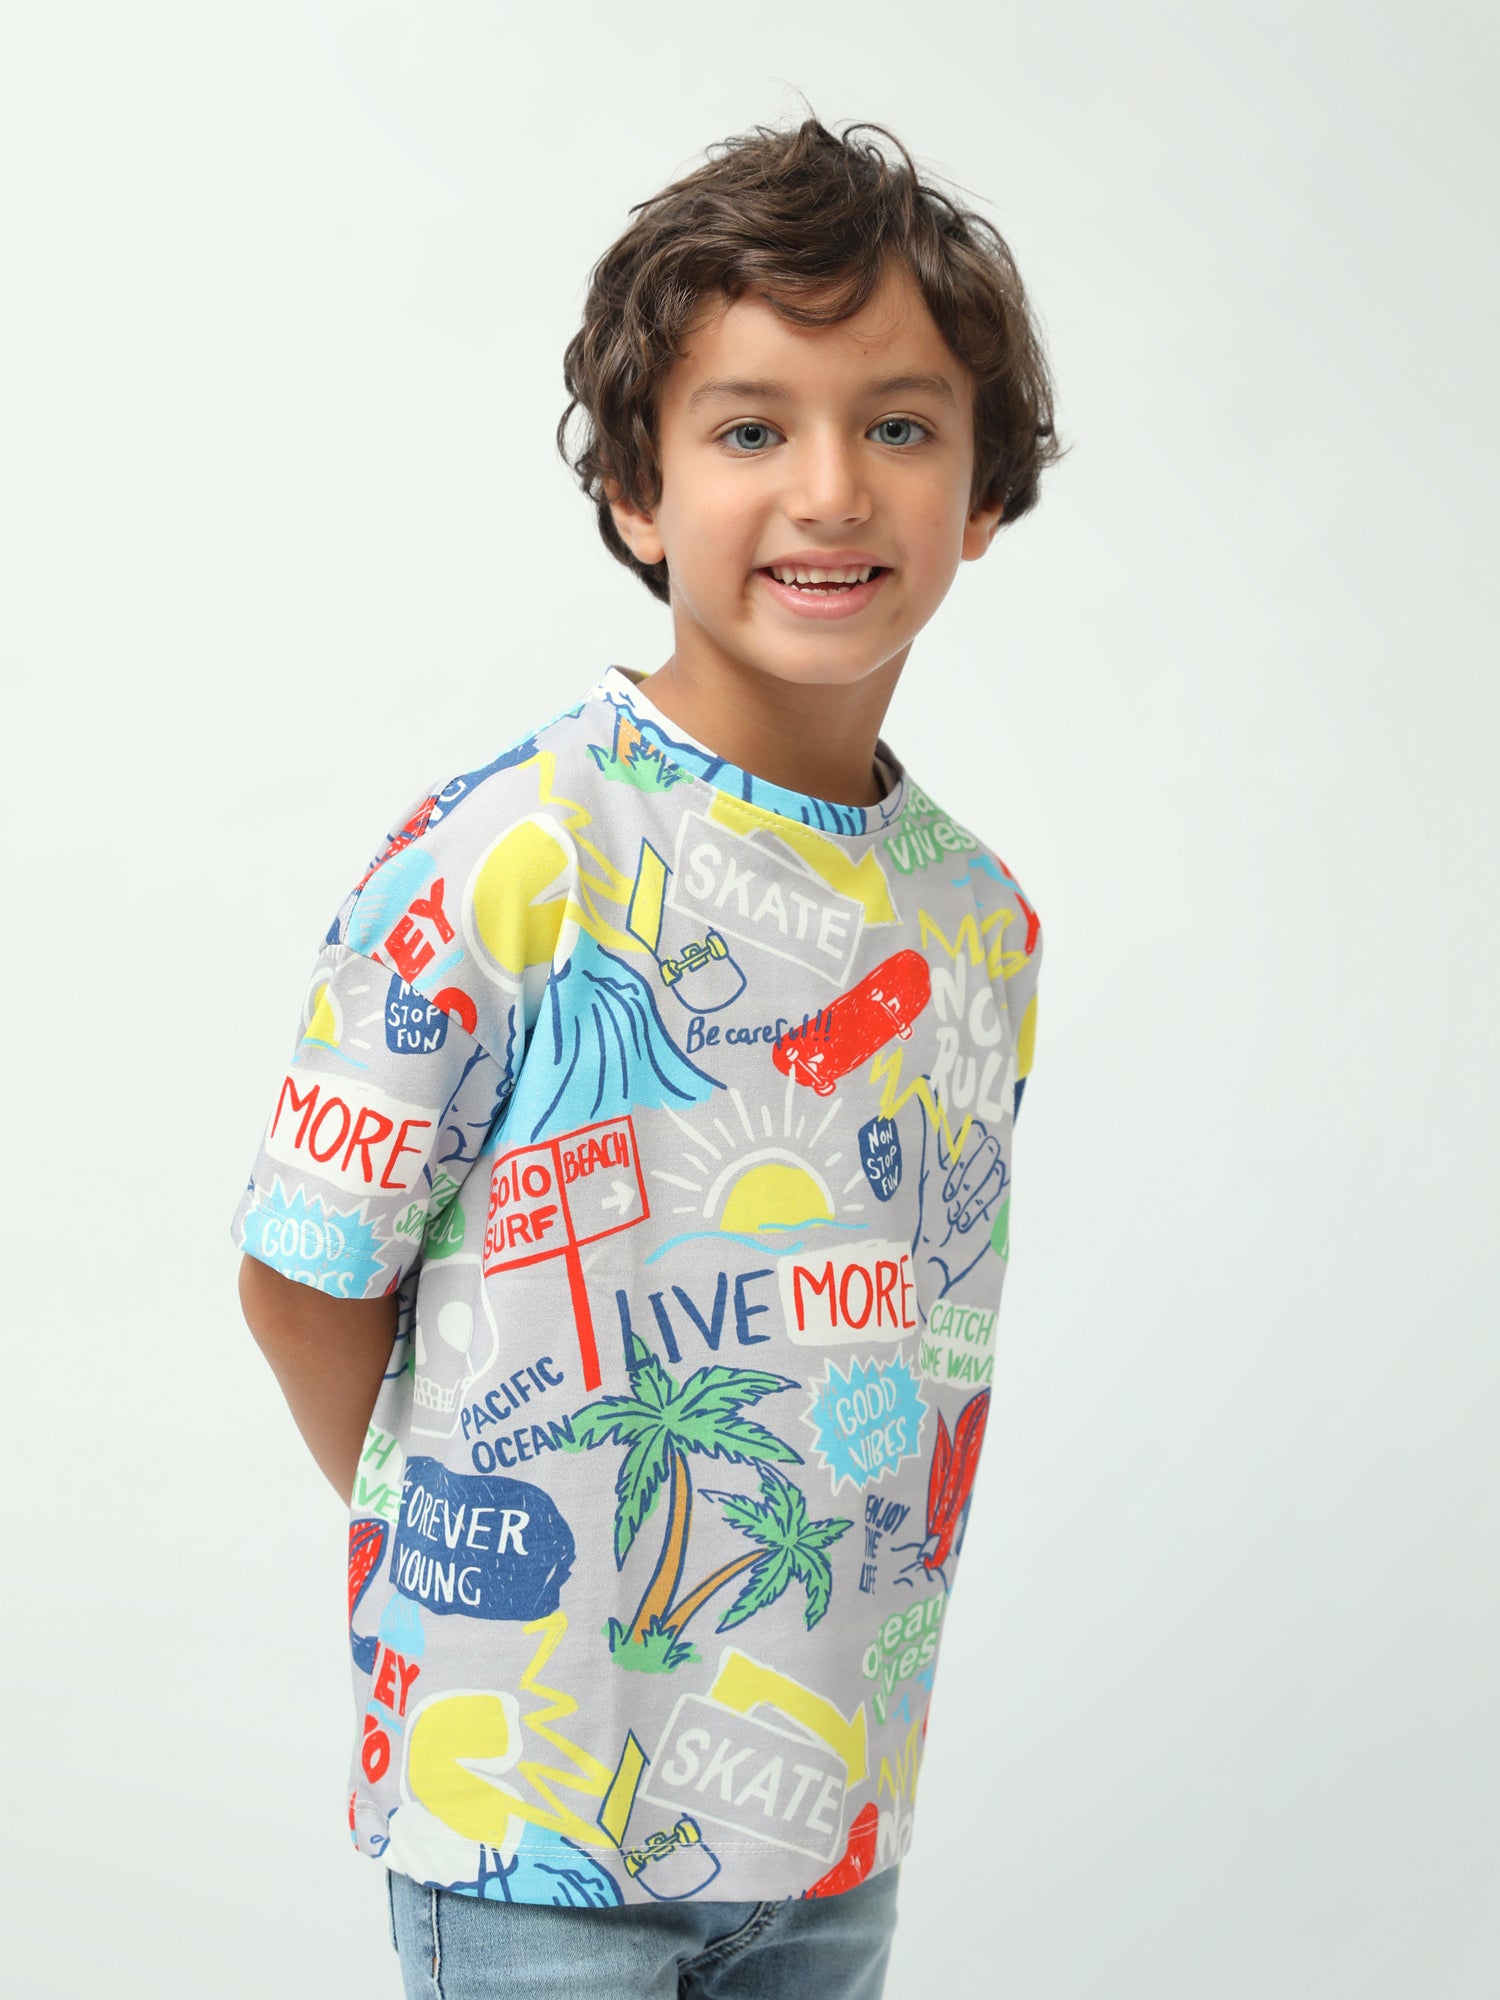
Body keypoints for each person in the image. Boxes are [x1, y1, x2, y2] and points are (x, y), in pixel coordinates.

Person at [234, 110, 1064, 2000]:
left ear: (986, 495)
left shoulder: (982, 925)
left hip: (835, 1823)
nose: (831, 490)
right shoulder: (511, 855)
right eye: (750, 430)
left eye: (902, 426)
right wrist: (480, 1565)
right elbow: (305, 1274)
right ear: (636, 490)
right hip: (528, 1827)